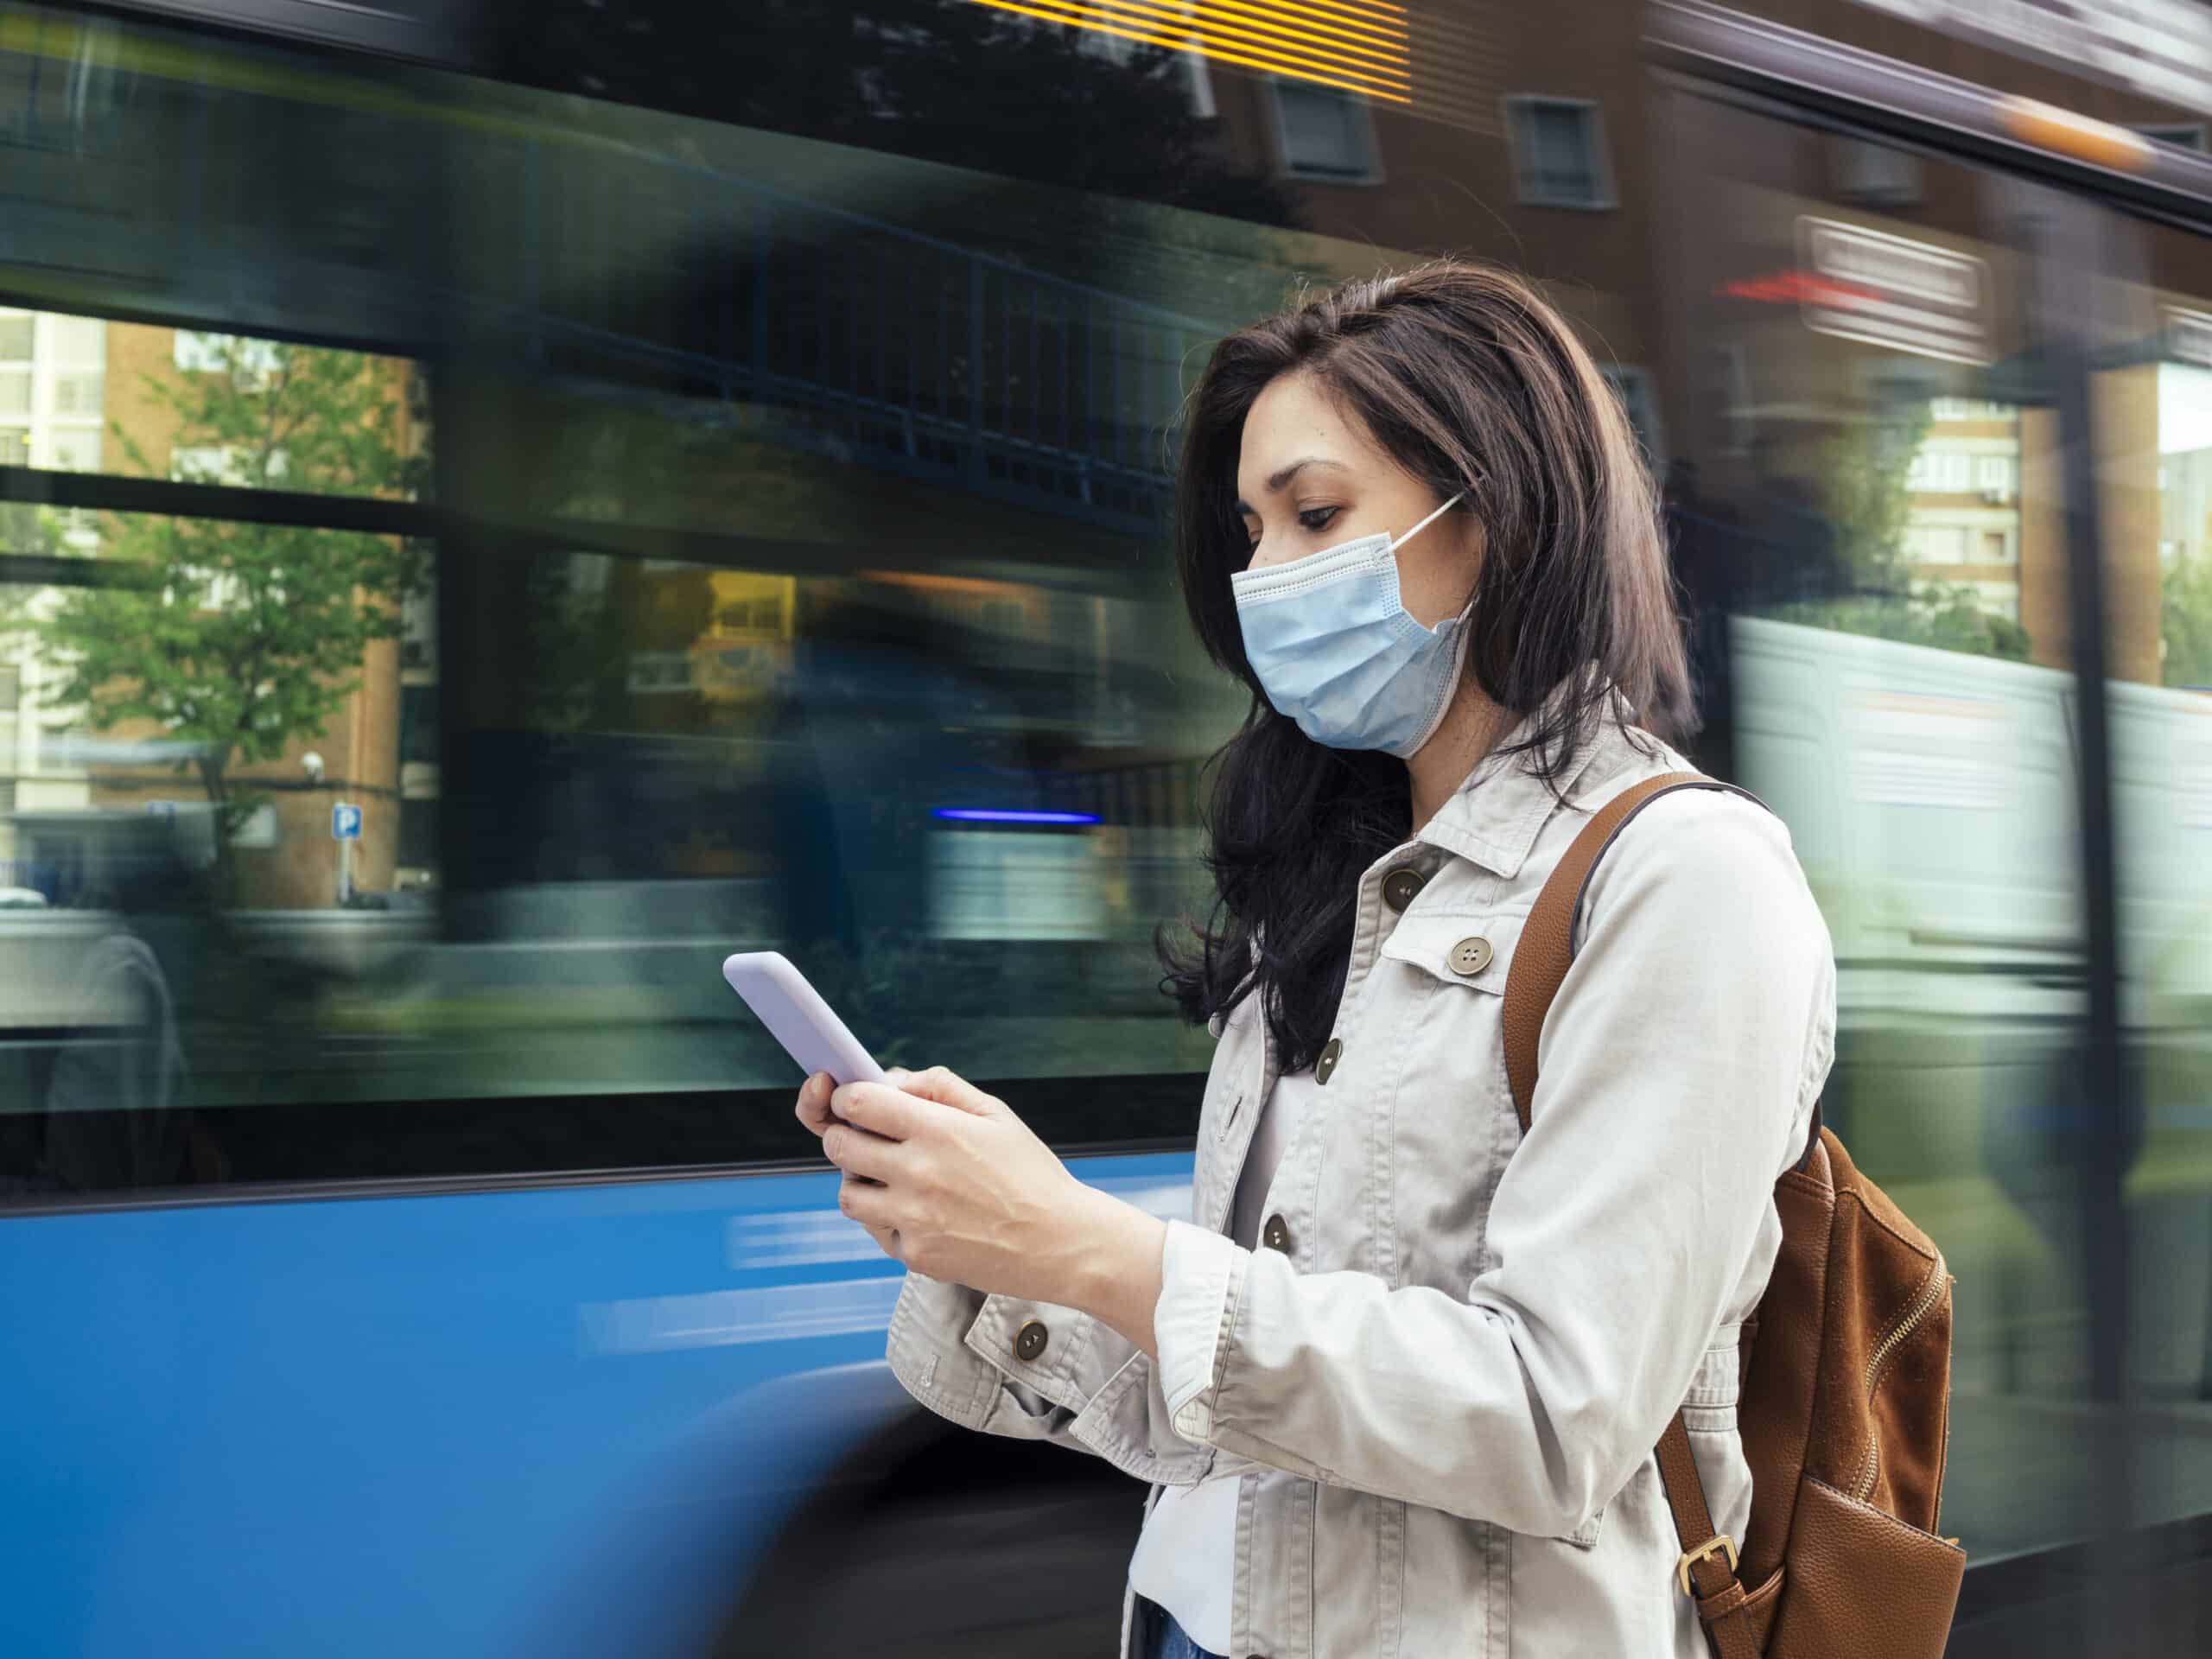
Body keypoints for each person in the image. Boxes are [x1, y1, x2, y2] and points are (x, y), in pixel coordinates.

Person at [793, 260, 1835, 1659]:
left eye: (1317, 515)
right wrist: (1002, 1246)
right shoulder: (1335, 891)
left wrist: (1099, 1249)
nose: (1261, 578)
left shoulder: (1685, 878)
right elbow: (1243, 1408)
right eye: (1249, 528)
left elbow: (1553, 1421)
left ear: (1499, 513)